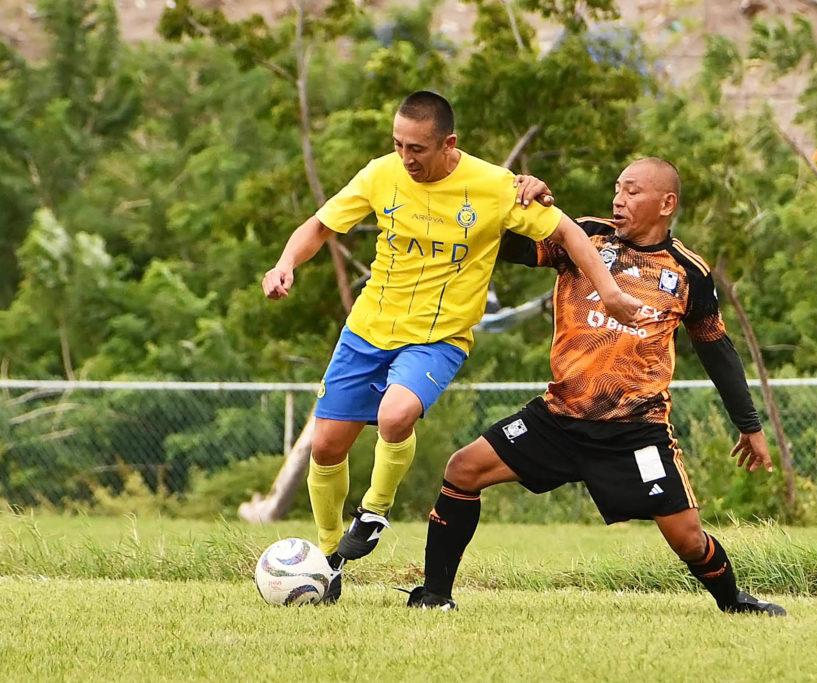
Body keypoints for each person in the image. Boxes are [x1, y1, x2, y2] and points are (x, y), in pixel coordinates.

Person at [261, 91, 643, 601]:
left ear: (448, 143)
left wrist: (610, 292)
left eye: (417, 148)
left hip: (438, 338)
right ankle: (329, 559)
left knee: (396, 414)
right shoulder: (381, 174)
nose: (406, 157)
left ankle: (374, 510)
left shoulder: (494, 186)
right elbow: (320, 225)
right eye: (398, 145)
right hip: (367, 330)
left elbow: (570, 234)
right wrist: (286, 263)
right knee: (327, 446)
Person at [405, 157, 786, 616]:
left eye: (632, 191)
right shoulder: (583, 236)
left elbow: (716, 350)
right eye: (617, 188)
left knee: (687, 537)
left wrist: (749, 425)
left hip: (635, 430)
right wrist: (514, 201)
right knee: (463, 469)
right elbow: (505, 244)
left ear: (666, 204)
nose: (618, 199)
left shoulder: (689, 272)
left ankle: (734, 602)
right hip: (559, 418)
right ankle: (435, 595)